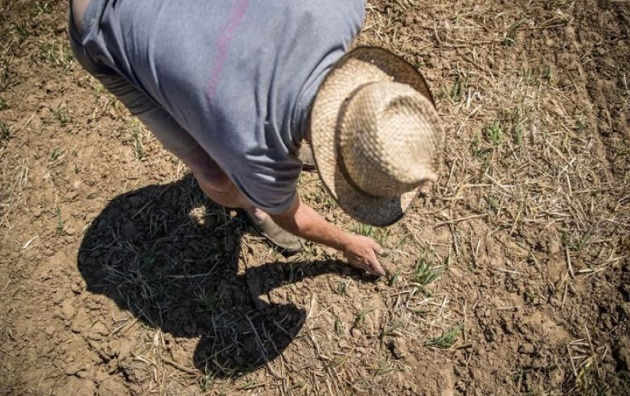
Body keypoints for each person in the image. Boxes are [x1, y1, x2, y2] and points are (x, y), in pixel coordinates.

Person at [68, 0, 444, 277]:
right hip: (100, 21)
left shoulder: (341, 9)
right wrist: (348, 242)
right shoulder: (256, 155)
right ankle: (251, 204)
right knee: (217, 176)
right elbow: (293, 216)